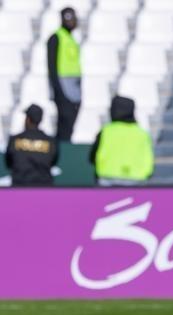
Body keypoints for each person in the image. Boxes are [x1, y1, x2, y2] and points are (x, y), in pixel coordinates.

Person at [89, 96, 154, 186]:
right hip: (137, 178)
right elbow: (148, 157)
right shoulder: (142, 133)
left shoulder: (106, 131)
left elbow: (92, 156)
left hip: (108, 177)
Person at [47, 7, 81, 143]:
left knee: (69, 127)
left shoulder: (71, 39)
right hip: (63, 89)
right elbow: (51, 66)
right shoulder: (56, 37)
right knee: (64, 125)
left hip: (74, 89)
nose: (71, 21)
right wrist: (58, 91)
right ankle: (60, 150)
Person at [5, 104, 58, 186]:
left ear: (28, 119)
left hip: (20, 187)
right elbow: (53, 162)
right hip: (44, 187)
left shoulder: (15, 140)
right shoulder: (50, 141)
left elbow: (8, 163)